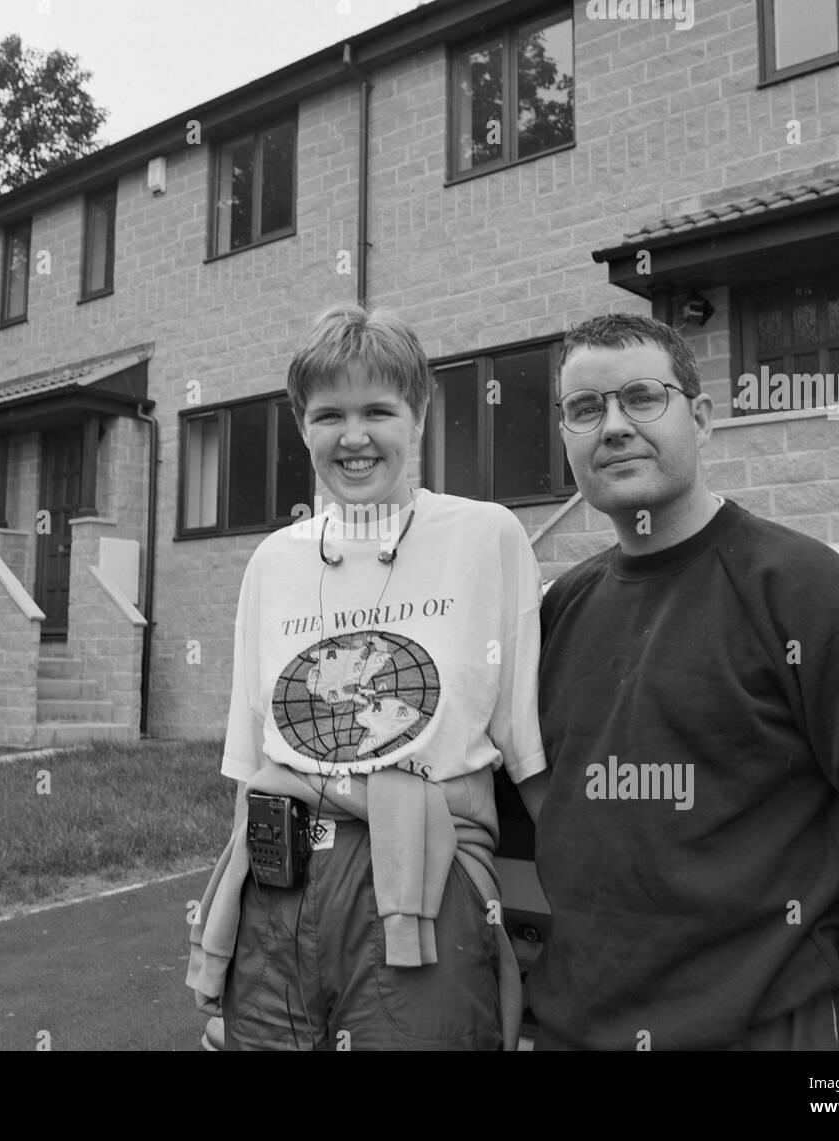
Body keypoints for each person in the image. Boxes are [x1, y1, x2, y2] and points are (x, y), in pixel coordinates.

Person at [528, 311, 839, 1051]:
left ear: (703, 418)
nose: (613, 425)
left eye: (642, 397)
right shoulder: (562, 610)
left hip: (772, 1032)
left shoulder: (802, 591)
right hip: (576, 1028)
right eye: (586, 408)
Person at [186, 303, 550, 1050]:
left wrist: (581, 918)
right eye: (329, 415)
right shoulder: (272, 562)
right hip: (278, 880)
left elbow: (529, 756)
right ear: (302, 423)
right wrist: (226, 935)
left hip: (426, 873)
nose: (354, 437)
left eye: (378, 409)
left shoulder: (487, 538)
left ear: (418, 413)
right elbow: (253, 766)